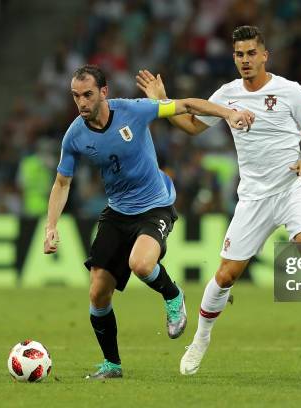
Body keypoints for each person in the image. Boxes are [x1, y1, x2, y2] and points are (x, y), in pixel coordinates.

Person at [135, 25, 301, 376]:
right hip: (253, 198)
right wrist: (162, 98)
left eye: (251, 53)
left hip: (292, 188)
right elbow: (190, 126)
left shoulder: (290, 91)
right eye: (239, 54)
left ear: (265, 55)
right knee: (226, 275)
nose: (245, 60)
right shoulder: (227, 94)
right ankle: (200, 340)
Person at [43, 64, 254, 380]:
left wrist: (228, 113)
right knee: (98, 293)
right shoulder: (75, 135)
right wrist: (51, 226)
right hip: (117, 212)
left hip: (155, 205)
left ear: (104, 92)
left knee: (141, 264)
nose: (82, 103)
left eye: (87, 95)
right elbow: (62, 183)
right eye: (76, 96)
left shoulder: (134, 111)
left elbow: (186, 106)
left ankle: (173, 295)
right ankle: (112, 365)